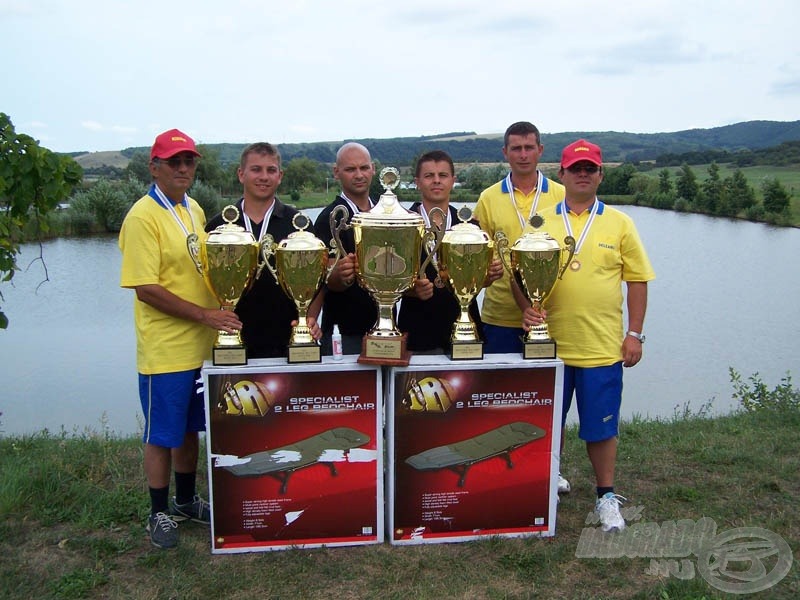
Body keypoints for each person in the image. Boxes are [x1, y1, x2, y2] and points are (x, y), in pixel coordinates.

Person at [521, 139, 655, 532]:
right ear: (560, 175)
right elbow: (520, 274)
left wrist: (635, 334)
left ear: (600, 174)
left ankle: (606, 496)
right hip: (549, 346)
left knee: (601, 428)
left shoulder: (619, 222)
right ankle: (544, 486)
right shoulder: (540, 220)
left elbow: (638, 280)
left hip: (601, 348)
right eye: (575, 168)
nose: (582, 174)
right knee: (548, 424)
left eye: (590, 168)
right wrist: (526, 307)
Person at [119, 129, 242, 549]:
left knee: (190, 430)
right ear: (154, 166)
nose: (184, 168)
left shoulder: (193, 208)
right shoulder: (142, 216)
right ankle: (158, 513)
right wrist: (205, 314)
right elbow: (145, 287)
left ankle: (187, 501)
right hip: (165, 349)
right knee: (161, 435)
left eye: (189, 161)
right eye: (174, 162)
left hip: (201, 345)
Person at [205, 142, 319, 358]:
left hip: (289, 336)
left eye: (271, 170)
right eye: (256, 169)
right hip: (232, 339)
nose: (264, 177)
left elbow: (317, 284)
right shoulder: (217, 226)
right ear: (241, 174)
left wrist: (310, 319)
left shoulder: (298, 224)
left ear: (280, 175)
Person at [474, 121, 565, 355]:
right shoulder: (488, 198)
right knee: (499, 390)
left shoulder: (562, 195)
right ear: (505, 152)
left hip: (551, 315)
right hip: (499, 316)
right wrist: (484, 272)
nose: (523, 155)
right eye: (516, 148)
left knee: (545, 390)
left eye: (529, 147)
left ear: (540, 150)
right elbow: (477, 256)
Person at [397, 150, 502, 353]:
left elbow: (479, 280)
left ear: (453, 180)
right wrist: (410, 289)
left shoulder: (471, 225)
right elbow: (388, 281)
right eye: (429, 176)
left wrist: (488, 277)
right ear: (417, 181)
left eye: (443, 175)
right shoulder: (403, 225)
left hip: (465, 331)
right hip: (417, 331)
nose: (436, 181)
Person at [311, 142, 378, 355]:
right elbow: (321, 281)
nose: (359, 175)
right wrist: (337, 275)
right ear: (336, 172)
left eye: (364, 167)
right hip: (344, 332)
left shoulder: (386, 214)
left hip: (386, 330)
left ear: (373, 169)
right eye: (350, 169)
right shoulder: (327, 220)